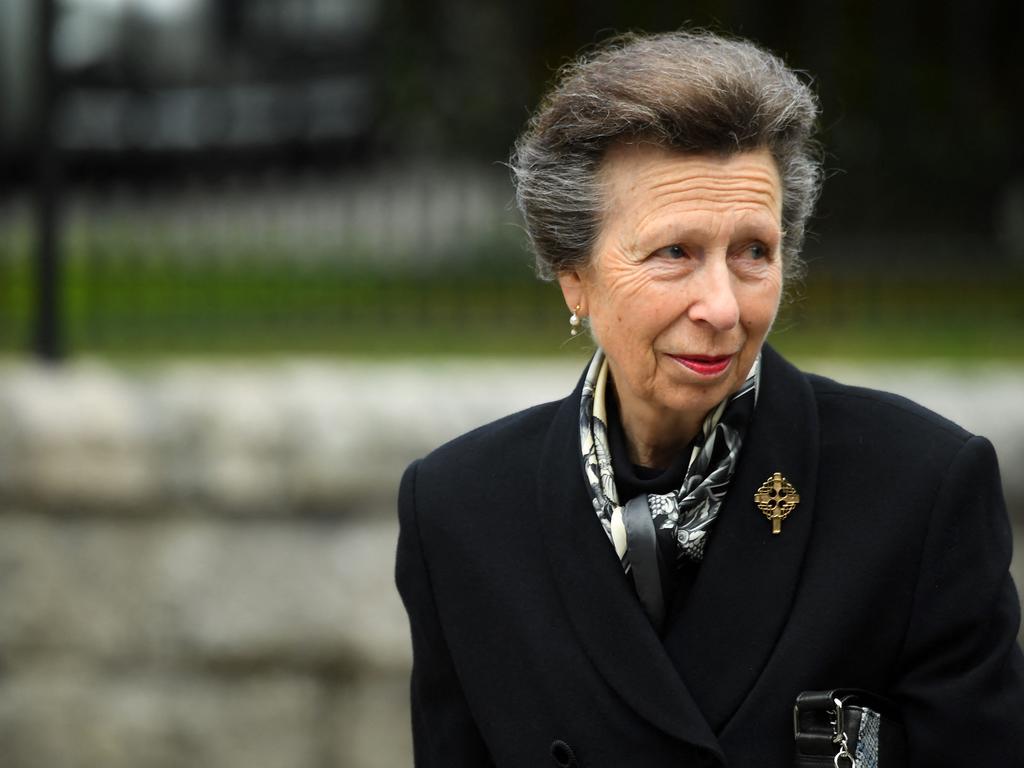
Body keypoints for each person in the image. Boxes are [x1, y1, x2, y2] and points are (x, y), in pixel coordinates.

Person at [395, 30, 1024, 767]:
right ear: (574, 275)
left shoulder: (919, 491)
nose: (723, 307)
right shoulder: (459, 511)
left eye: (753, 252)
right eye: (675, 253)